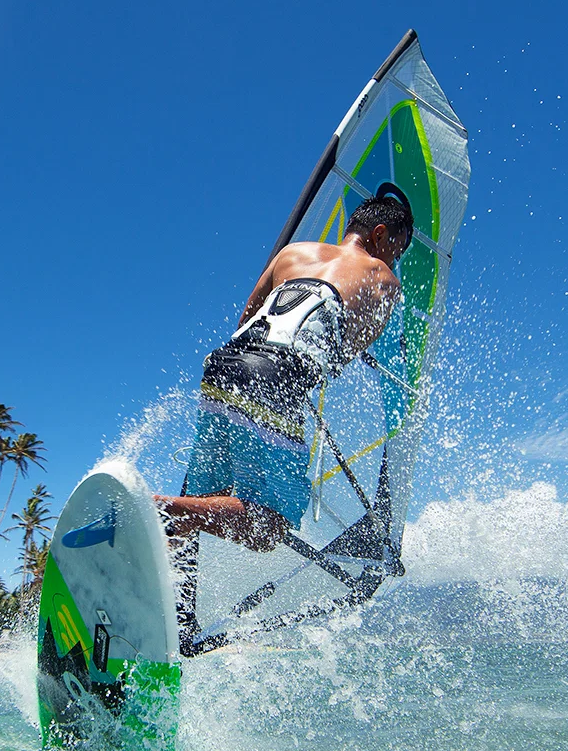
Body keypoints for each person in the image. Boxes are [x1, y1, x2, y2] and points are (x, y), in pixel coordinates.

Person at [156, 184, 414, 552]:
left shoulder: (292, 253)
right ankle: (154, 507)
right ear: (380, 234)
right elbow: (341, 355)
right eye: (397, 250)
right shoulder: (383, 278)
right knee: (269, 527)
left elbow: (247, 318)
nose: (394, 260)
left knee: (204, 502)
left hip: (223, 369)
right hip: (275, 379)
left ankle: (151, 555)